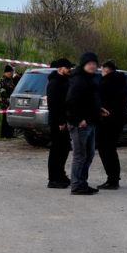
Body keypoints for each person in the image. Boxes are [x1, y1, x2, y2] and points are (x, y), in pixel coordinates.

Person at [66, 52, 106, 194]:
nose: (92, 66)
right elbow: (71, 102)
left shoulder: (90, 79)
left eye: (94, 64)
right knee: (80, 155)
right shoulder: (78, 80)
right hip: (80, 124)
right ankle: (76, 185)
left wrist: (98, 109)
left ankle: (82, 182)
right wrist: (78, 119)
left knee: (89, 155)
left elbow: (88, 101)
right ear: (83, 64)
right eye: (89, 64)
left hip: (91, 121)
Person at [98, 59, 127, 190]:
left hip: (107, 121)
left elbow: (100, 101)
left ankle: (112, 179)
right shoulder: (122, 82)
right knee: (111, 150)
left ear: (105, 70)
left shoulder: (105, 83)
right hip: (119, 120)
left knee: (105, 150)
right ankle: (114, 178)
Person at [45, 58, 73, 188]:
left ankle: (61, 174)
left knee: (65, 148)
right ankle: (53, 179)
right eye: (68, 68)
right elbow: (54, 105)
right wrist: (61, 121)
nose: (70, 70)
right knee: (56, 150)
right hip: (57, 122)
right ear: (61, 68)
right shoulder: (54, 83)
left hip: (64, 120)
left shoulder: (65, 81)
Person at [0, 64, 18, 139]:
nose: (11, 74)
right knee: (5, 118)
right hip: (5, 102)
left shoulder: (10, 80)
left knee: (10, 118)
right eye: (10, 73)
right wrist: (8, 100)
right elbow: (2, 92)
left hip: (11, 101)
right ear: (7, 72)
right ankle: (4, 134)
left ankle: (10, 134)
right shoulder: (2, 80)